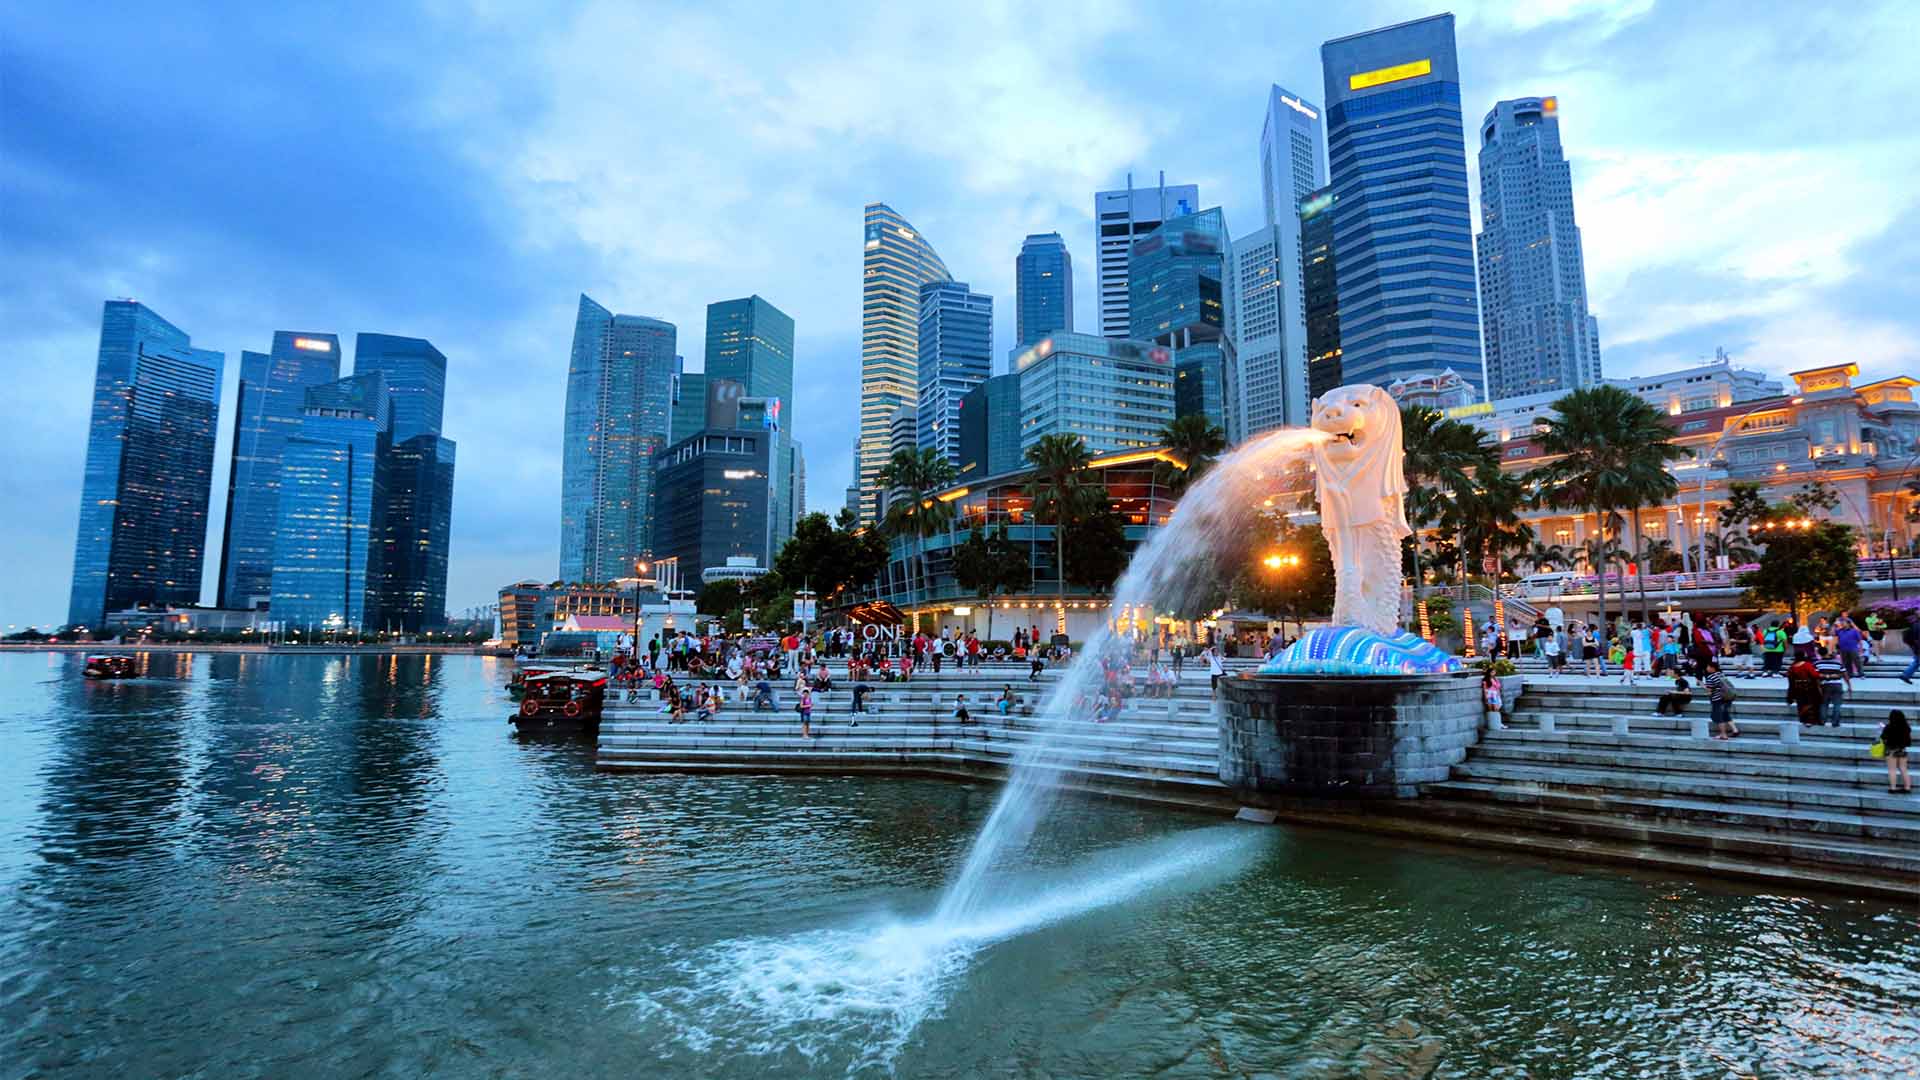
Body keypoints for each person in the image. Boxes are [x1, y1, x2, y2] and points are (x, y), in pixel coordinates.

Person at [1879, 710, 1913, 794]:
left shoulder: (1889, 727)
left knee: (1892, 770)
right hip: (1902, 749)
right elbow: (1908, 740)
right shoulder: (1906, 727)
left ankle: (1893, 788)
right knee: (1903, 768)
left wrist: (1882, 728)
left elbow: (1883, 738)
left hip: (1891, 750)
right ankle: (1907, 787)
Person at [1703, 659, 1737, 740]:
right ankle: (1734, 730)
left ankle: (1723, 734)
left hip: (1717, 699)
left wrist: (1704, 687)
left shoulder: (1710, 677)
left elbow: (1710, 690)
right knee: (1724, 714)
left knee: (1717, 716)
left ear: (1712, 668)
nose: (1707, 668)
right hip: (1726, 697)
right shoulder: (1721, 675)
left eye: (1708, 666)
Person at [1814, 645, 1848, 727]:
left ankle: (1822, 721)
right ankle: (1835, 722)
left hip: (1824, 685)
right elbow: (1845, 674)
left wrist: (1818, 685)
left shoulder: (1817, 664)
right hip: (1837, 684)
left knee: (1824, 704)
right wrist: (1849, 685)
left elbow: (1815, 676)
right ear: (1827, 652)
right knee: (1837, 704)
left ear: (1819, 654)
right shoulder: (1837, 662)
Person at [1786, 653, 1823, 726]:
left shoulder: (1792, 667)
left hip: (1798, 688)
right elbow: (1815, 675)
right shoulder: (1807, 665)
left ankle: (1804, 720)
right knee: (1811, 704)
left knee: (1801, 704)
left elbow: (1790, 678)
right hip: (1809, 688)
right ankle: (1811, 720)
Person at [1836, 615, 1865, 680]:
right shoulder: (1839, 631)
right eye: (1842, 623)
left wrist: (1861, 649)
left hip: (1853, 649)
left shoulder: (1854, 631)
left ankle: (1861, 674)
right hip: (1843, 650)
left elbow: (1860, 640)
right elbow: (1835, 636)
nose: (1842, 624)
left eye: (1844, 622)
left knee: (1857, 662)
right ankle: (1850, 674)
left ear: (1848, 624)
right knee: (1846, 663)